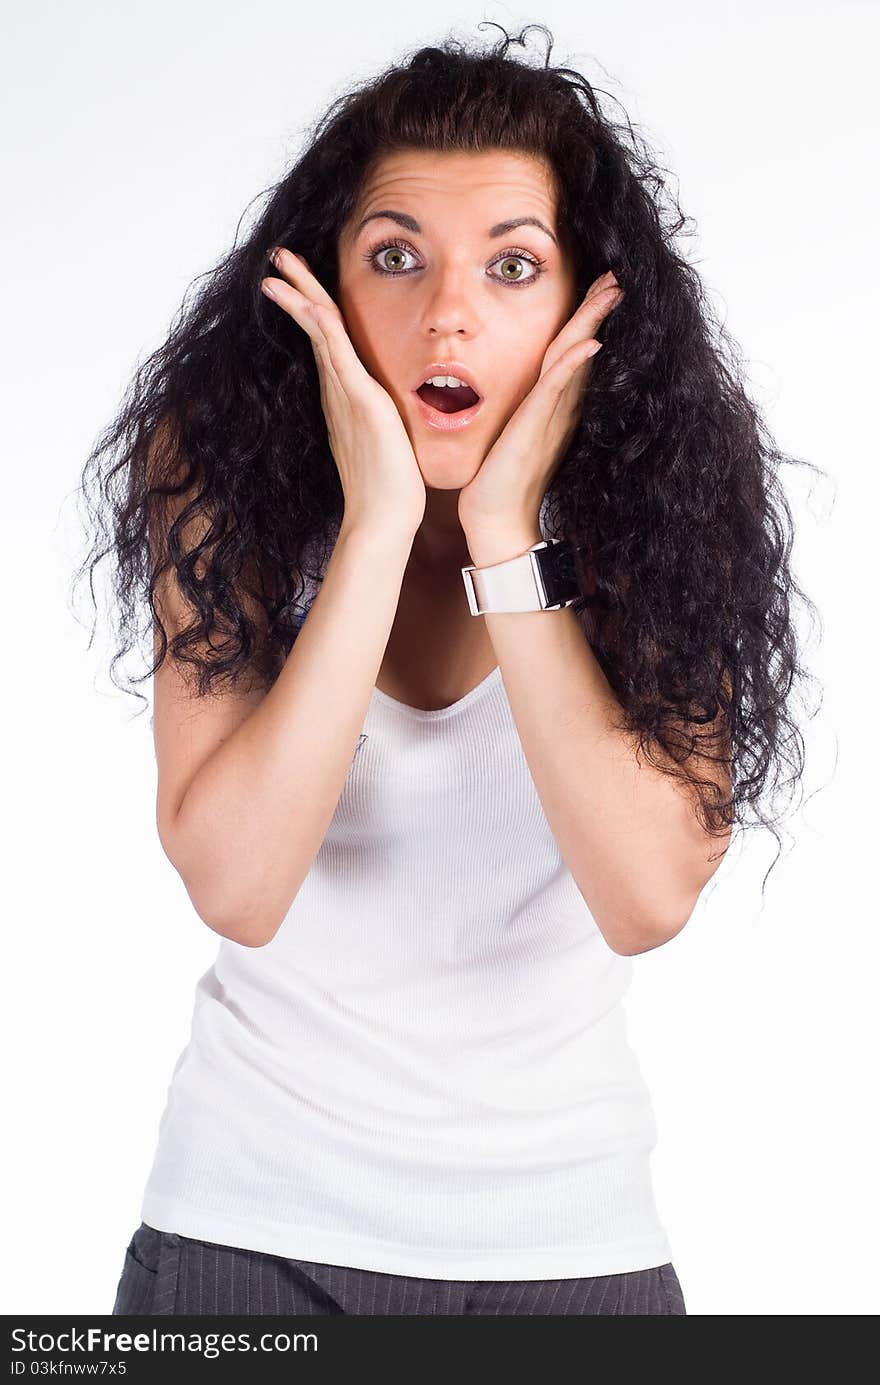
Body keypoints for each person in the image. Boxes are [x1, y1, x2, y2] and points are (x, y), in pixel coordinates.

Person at [74, 23, 818, 1317]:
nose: (449, 309)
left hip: (573, 1251)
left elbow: (646, 894)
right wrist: (371, 527)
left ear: (591, 307)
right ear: (322, 286)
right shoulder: (221, 469)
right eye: (395, 256)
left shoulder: (670, 495)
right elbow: (237, 883)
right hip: (248, 1242)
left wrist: (500, 535)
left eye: (514, 265)